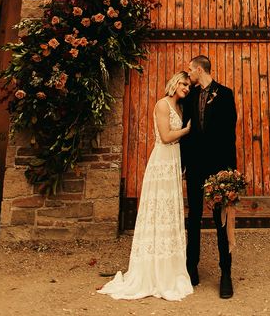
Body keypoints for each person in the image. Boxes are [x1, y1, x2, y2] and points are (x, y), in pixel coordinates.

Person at [98, 71, 193, 302]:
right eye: (183, 84)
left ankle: (169, 268)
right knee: (157, 211)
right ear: (174, 83)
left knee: (169, 211)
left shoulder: (179, 107)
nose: (186, 88)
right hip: (161, 160)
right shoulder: (163, 105)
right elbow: (166, 136)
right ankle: (151, 269)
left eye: (189, 86)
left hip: (173, 161)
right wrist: (187, 130)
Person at [181, 55, 237, 299]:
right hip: (194, 166)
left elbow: (229, 133)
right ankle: (191, 268)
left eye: (190, 70)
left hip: (217, 168)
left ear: (200, 69)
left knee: (220, 220)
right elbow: (185, 131)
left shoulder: (225, 94)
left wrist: (230, 171)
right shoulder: (190, 96)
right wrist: (182, 166)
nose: (188, 74)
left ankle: (226, 274)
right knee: (193, 217)